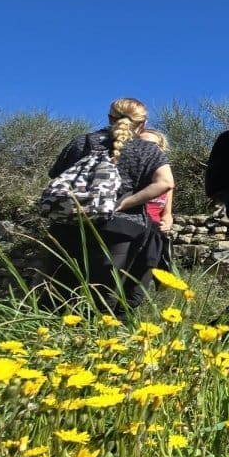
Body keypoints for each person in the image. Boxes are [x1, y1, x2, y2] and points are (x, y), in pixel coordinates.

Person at [47, 98, 174, 315]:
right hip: (121, 228)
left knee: (59, 293)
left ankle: (48, 332)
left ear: (109, 118)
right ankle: (96, 334)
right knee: (103, 298)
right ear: (143, 124)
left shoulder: (81, 142)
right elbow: (165, 183)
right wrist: (124, 203)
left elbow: (57, 176)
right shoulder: (147, 150)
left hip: (70, 223)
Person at [139, 129, 174, 270]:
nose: (147, 148)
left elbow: (167, 214)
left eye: (152, 145)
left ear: (161, 148)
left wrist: (167, 224)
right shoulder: (130, 174)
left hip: (154, 236)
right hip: (132, 232)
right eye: (141, 143)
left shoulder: (166, 180)